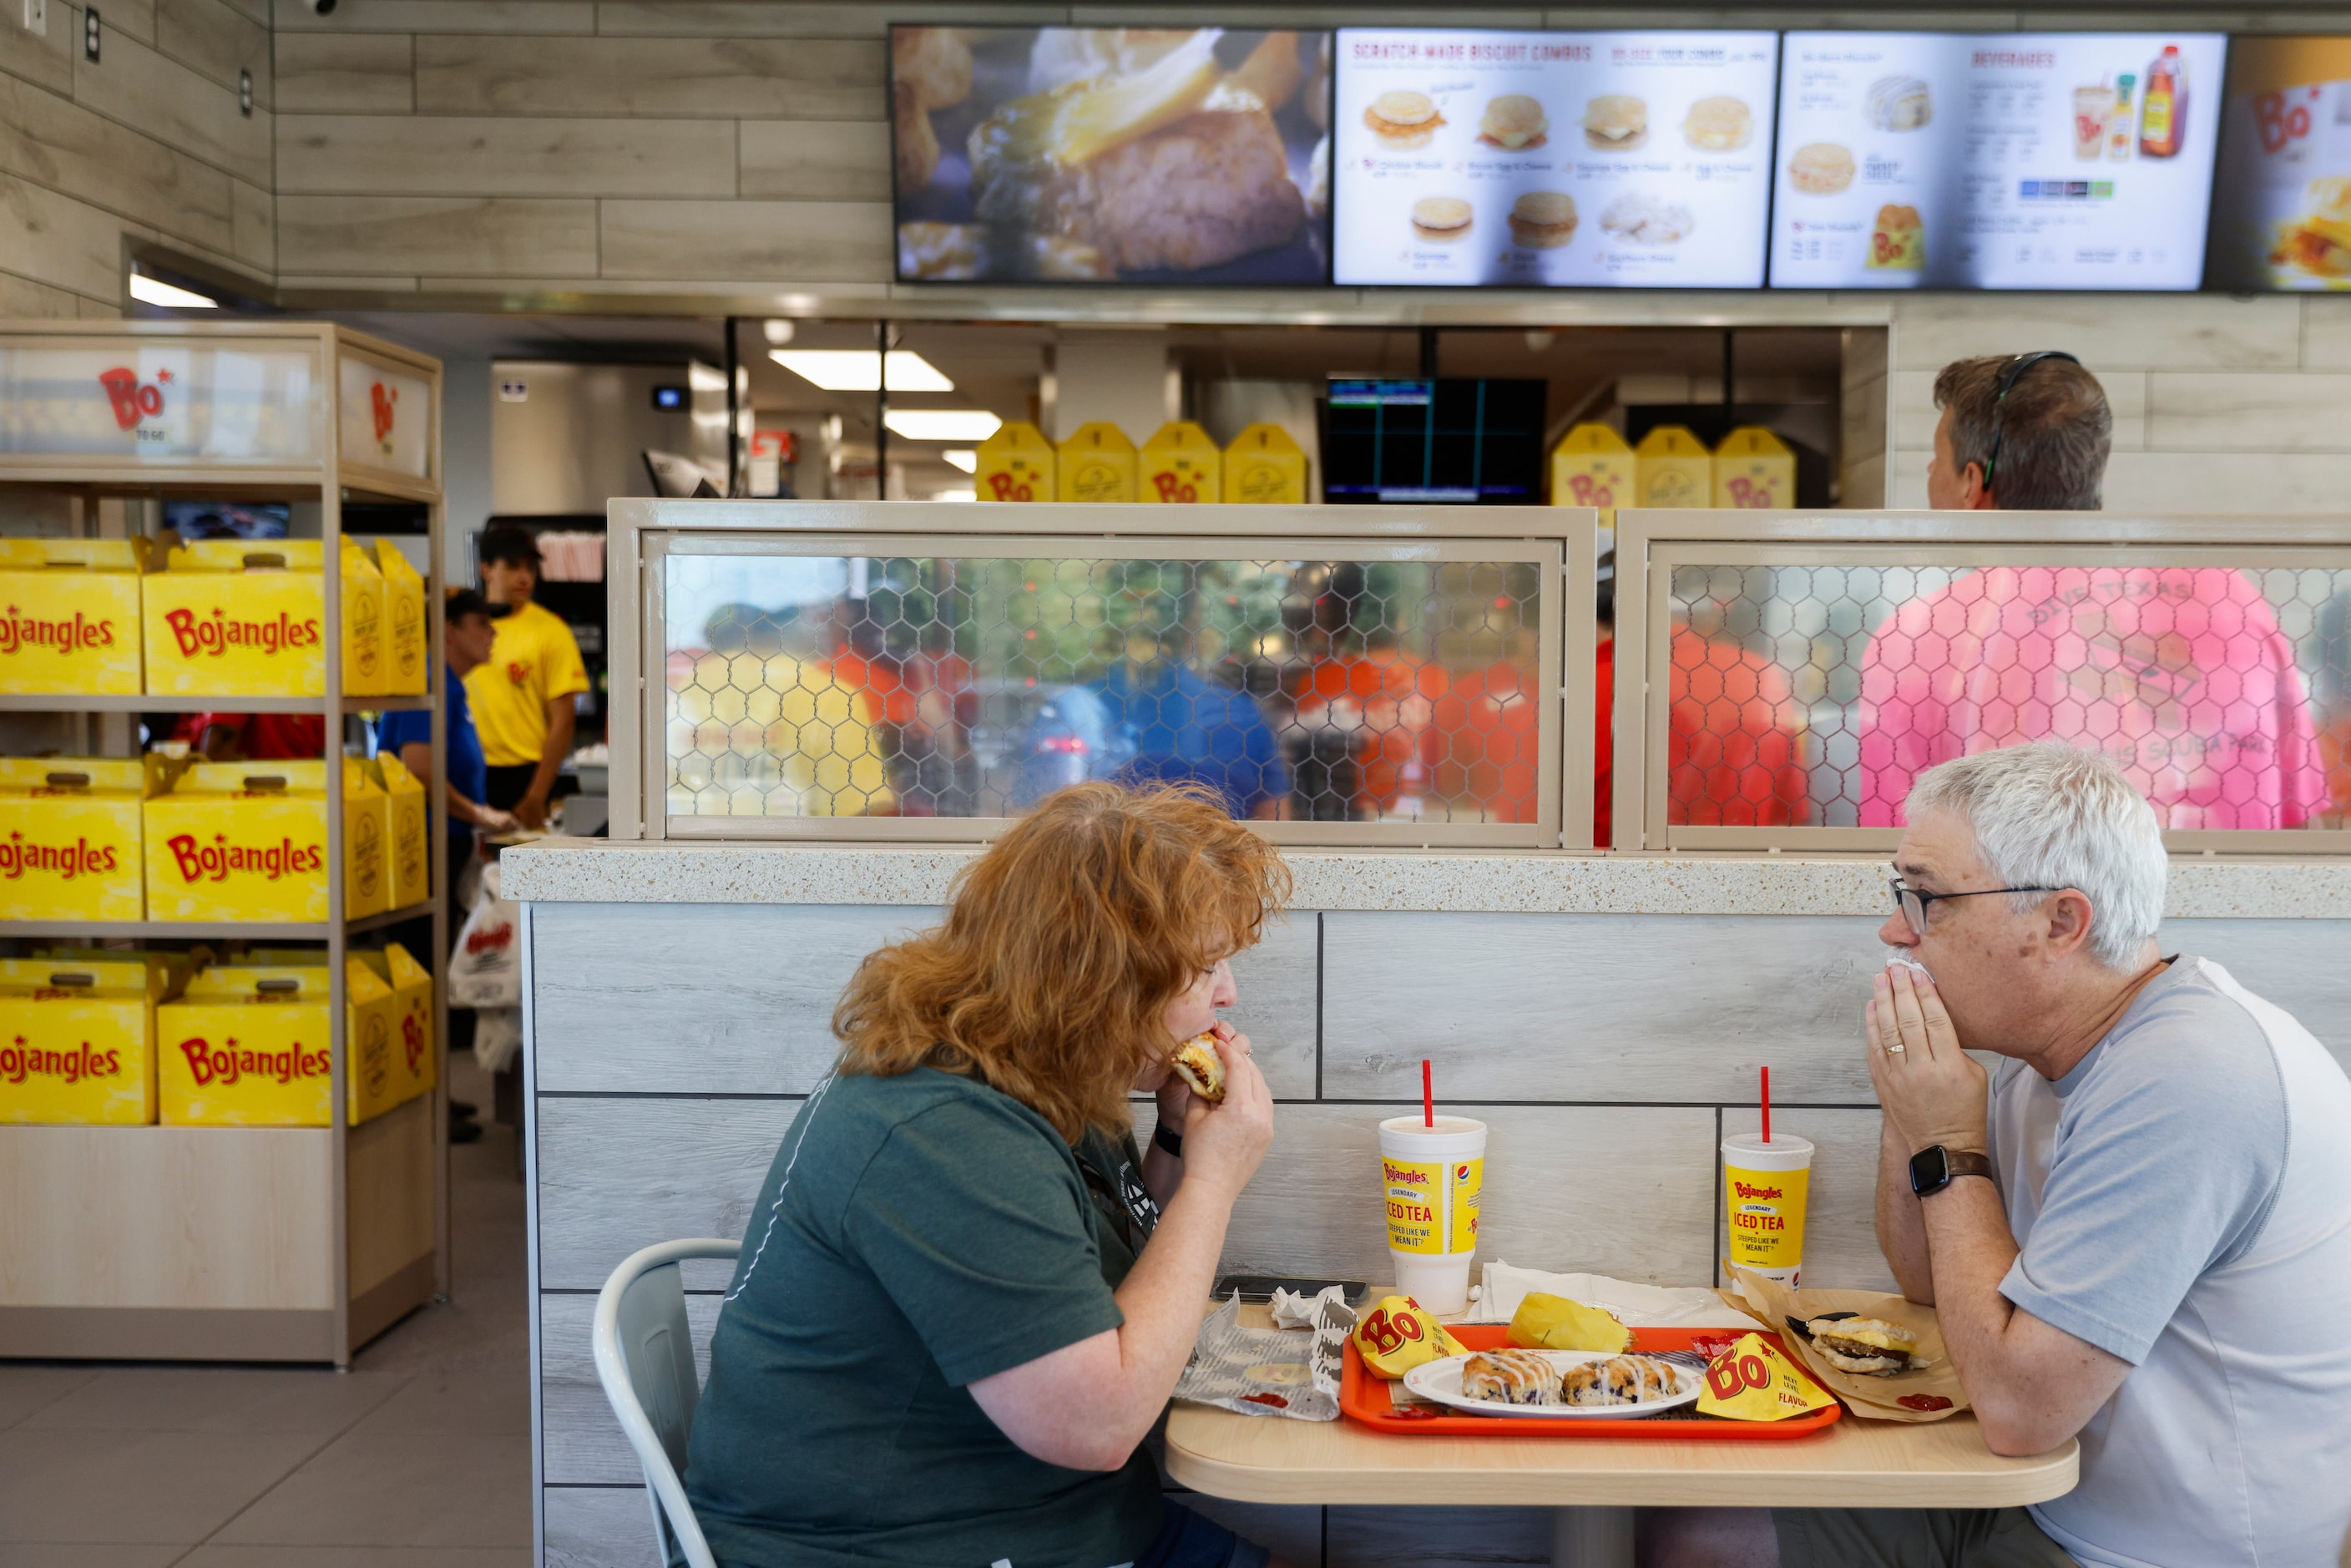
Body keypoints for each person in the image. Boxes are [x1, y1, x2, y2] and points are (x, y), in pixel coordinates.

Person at [1650, 741, 2351, 1568]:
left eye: (1927, 901)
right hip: (2035, 1507)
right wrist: (1913, 1107)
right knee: (1696, 1528)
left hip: (2134, 1554)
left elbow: (2022, 1412)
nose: (1893, 932)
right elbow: (1931, 1284)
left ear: (2059, 923)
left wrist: (1946, 1139)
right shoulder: (2050, 1052)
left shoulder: (2188, 1078)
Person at [685, 781, 1295, 1568]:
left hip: (1045, 1518)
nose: (1228, 993)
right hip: (897, 1548)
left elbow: (1128, 1299)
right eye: (1205, 966)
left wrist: (1178, 1141)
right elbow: (1098, 1426)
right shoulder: (943, 1133)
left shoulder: (1044, 1068)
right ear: (1102, 977)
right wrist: (1215, 1184)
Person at [1859, 354, 2326, 828]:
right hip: (2222, 900)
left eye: (1938, 457)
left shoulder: (1920, 632)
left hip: (2031, 903)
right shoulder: (2230, 594)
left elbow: (1902, 844)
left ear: (1971, 483)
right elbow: (2298, 815)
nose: (1930, 468)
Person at [377, 588, 515, 1144]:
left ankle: (431, 1098)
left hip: (448, 842)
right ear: (450, 630)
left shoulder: (452, 687)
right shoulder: (428, 681)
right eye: (482, 624)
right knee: (419, 974)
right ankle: (417, 1105)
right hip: (422, 848)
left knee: (430, 975)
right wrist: (479, 811)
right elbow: (420, 773)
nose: (492, 634)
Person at [465, 526, 589, 829]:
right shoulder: (462, 629)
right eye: (512, 566)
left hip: (524, 777)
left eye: (530, 568)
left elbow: (564, 720)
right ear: (486, 569)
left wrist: (536, 794)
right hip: (466, 771)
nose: (524, 577)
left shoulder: (551, 631)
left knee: (520, 870)